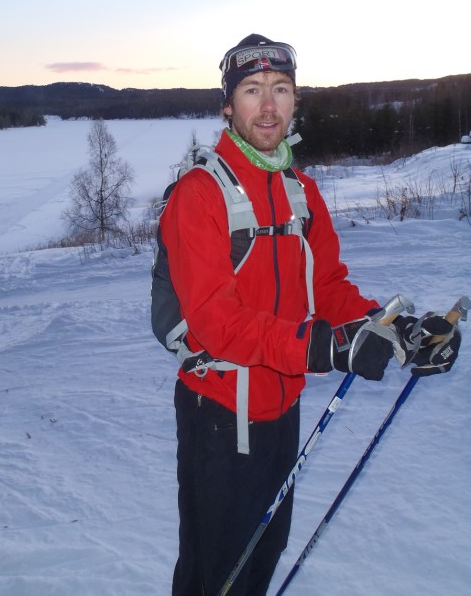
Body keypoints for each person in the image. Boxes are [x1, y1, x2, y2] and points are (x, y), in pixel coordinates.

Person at [158, 34, 461, 596]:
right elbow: (214, 321)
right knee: (216, 577)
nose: (268, 106)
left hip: (283, 409)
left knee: (262, 559)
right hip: (221, 415)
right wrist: (323, 347)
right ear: (228, 105)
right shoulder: (199, 193)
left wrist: (397, 329)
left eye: (280, 89)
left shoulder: (300, 191)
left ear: (295, 100)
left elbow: (327, 287)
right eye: (252, 90)